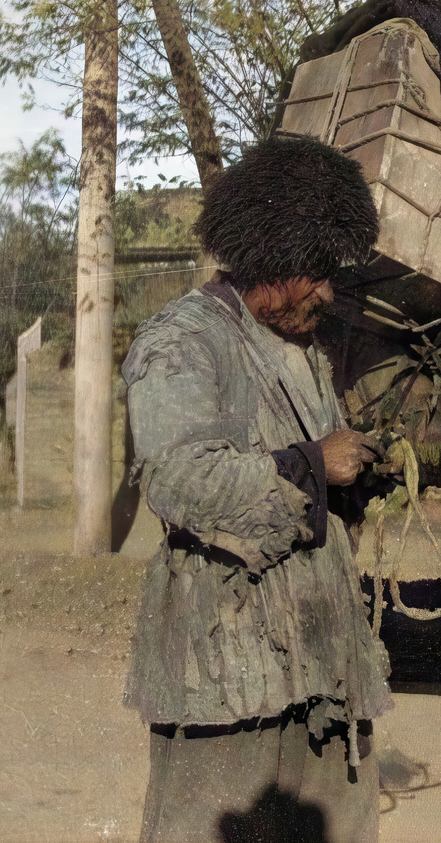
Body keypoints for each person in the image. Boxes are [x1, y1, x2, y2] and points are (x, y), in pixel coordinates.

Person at [122, 134, 393, 843]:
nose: (327, 293)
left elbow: (323, 477)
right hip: (227, 672)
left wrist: (362, 474)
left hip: (324, 660)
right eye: (317, 273)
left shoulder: (303, 350)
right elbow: (178, 479)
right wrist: (310, 464)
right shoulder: (180, 341)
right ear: (272, 258)